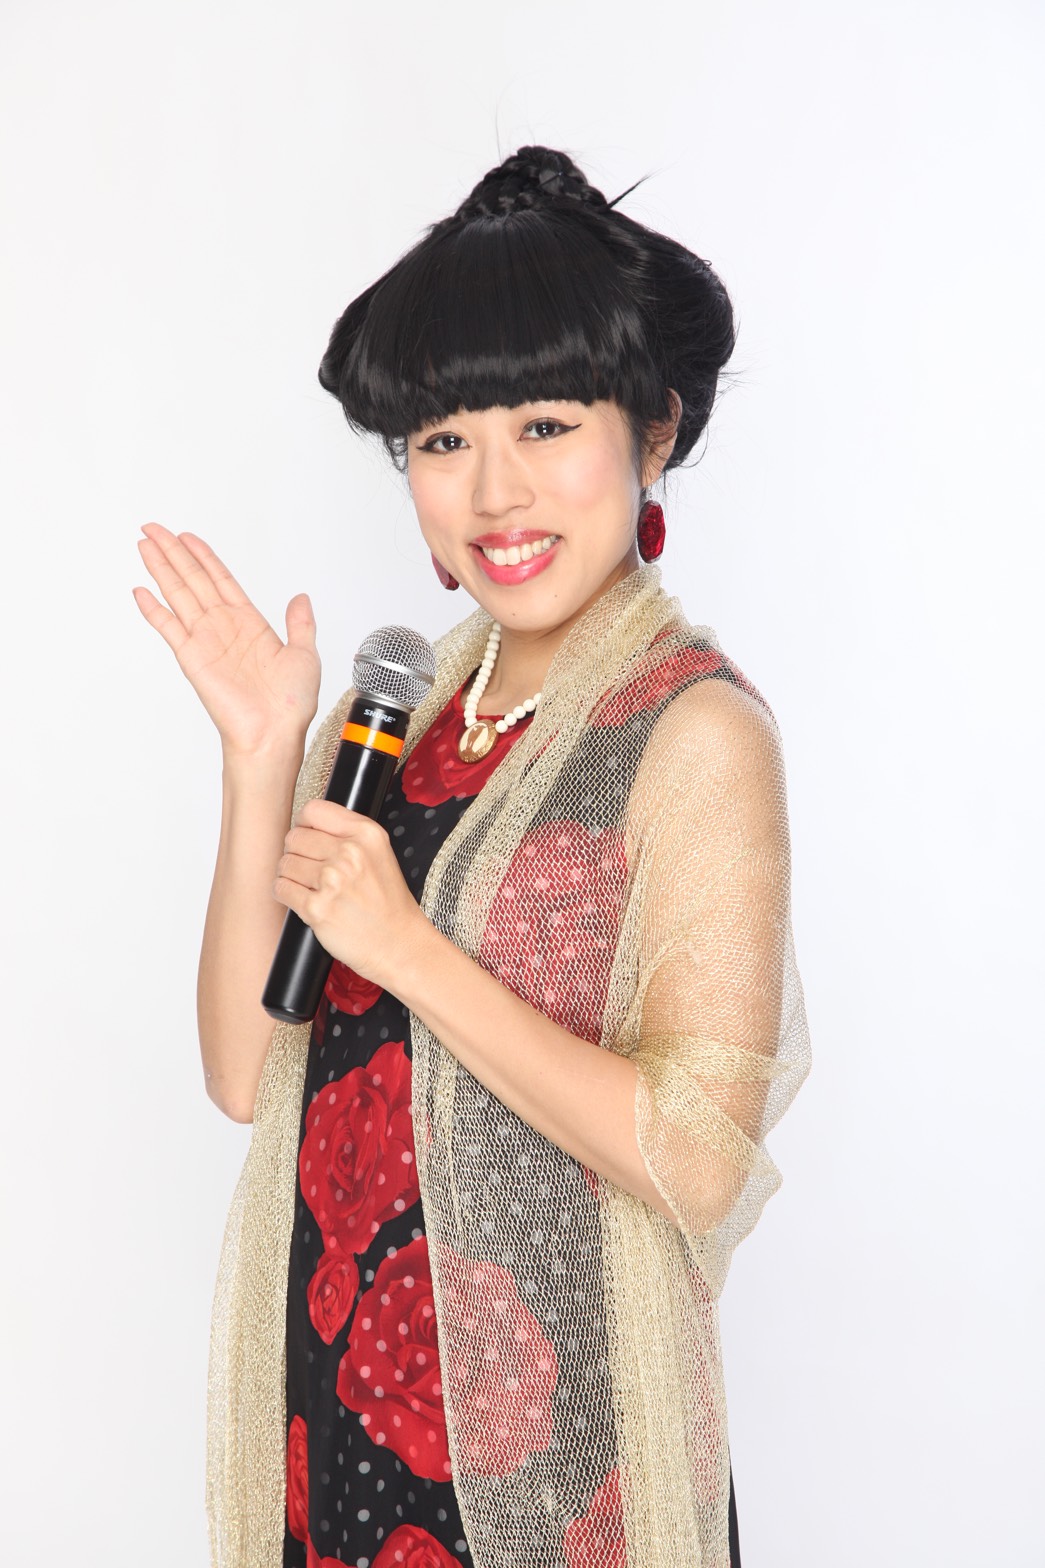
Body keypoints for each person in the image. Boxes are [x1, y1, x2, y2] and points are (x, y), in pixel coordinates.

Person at [133, 145, 811, 1568]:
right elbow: (248, 1073)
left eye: (545, 425)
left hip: (552, 1468)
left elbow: (694, 1159)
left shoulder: (690, 730)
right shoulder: (399, 717)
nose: (495, 492)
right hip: (344, 1413)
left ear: (654, 432)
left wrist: (409, 953)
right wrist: (262, 753)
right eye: (442, 441)